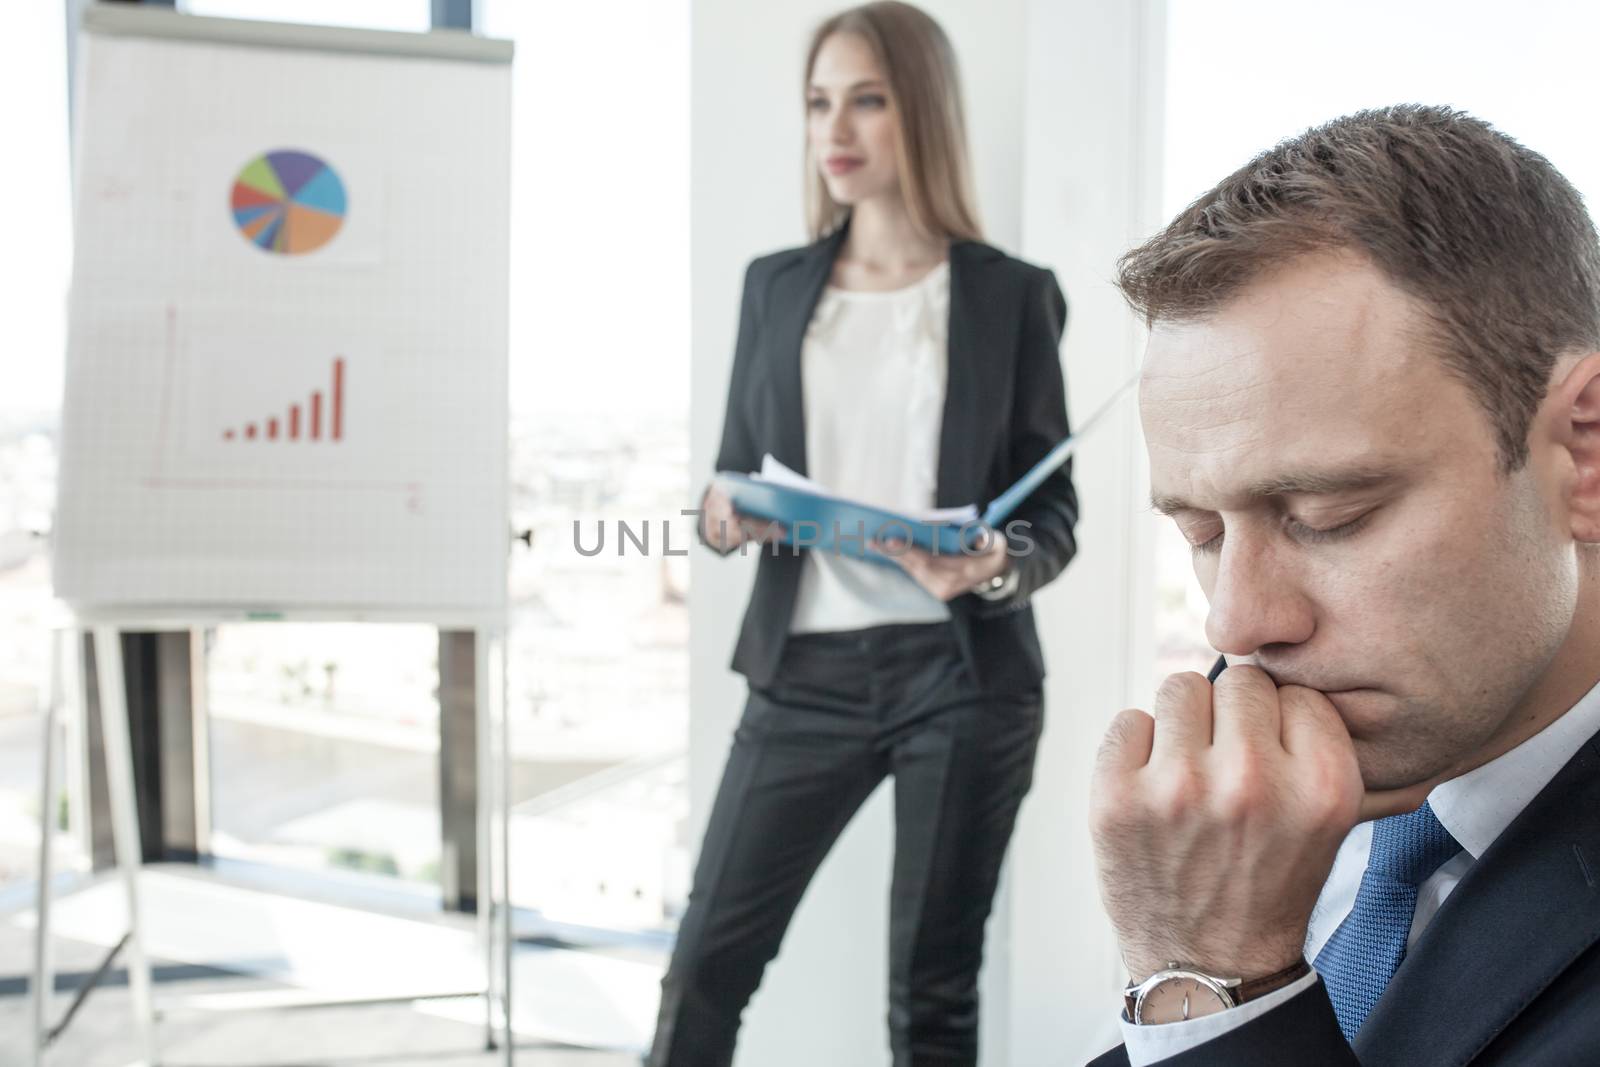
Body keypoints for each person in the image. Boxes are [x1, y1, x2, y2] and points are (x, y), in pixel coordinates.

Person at [1086, 104, 1600, 1066]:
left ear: (1584, 453)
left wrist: (1215, 979)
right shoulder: (1247, 817)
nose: (1235, 619)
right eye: (1202, 531)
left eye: (1328, 517)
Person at [647, 4, 1079, 1065]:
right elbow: (728, 479)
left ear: (920, 111)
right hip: (805, 675)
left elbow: (1053, 518)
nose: (835, 127)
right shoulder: (774, 288)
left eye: (868, 99)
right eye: (818, 102)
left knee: (931, 996)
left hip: (963, 680)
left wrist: (992, 564)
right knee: (705, 968)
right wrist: (718, 513)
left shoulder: (1010, 298)